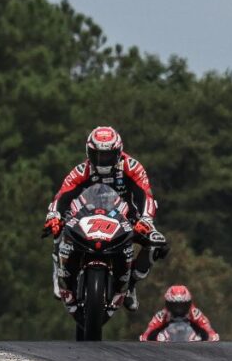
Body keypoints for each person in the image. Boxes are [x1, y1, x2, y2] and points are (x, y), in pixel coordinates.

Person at [43, 126, 167, 312]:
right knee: (57, 225)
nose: (102, 160)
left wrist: (146, 220)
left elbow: (146, 196)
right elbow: (62, 196)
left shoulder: (132, 167)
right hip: (86, 215)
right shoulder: (80, 170)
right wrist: (54, 216)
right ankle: (58, 269)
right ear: (88, 153)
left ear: (118, 152)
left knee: (157, 243)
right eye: (97, 155)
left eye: (107, 155)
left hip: (124, 217)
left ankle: (131, 285)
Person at [139, 285, 219, 341]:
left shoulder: (195, 313)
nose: (178, 310)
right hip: (167, 347)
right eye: (175, 305)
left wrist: (206, 337)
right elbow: (146, 335)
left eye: (182, 305)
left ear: (188, 303)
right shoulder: (162, 315)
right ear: (168, 304)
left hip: (193, 346)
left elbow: (211, 334)